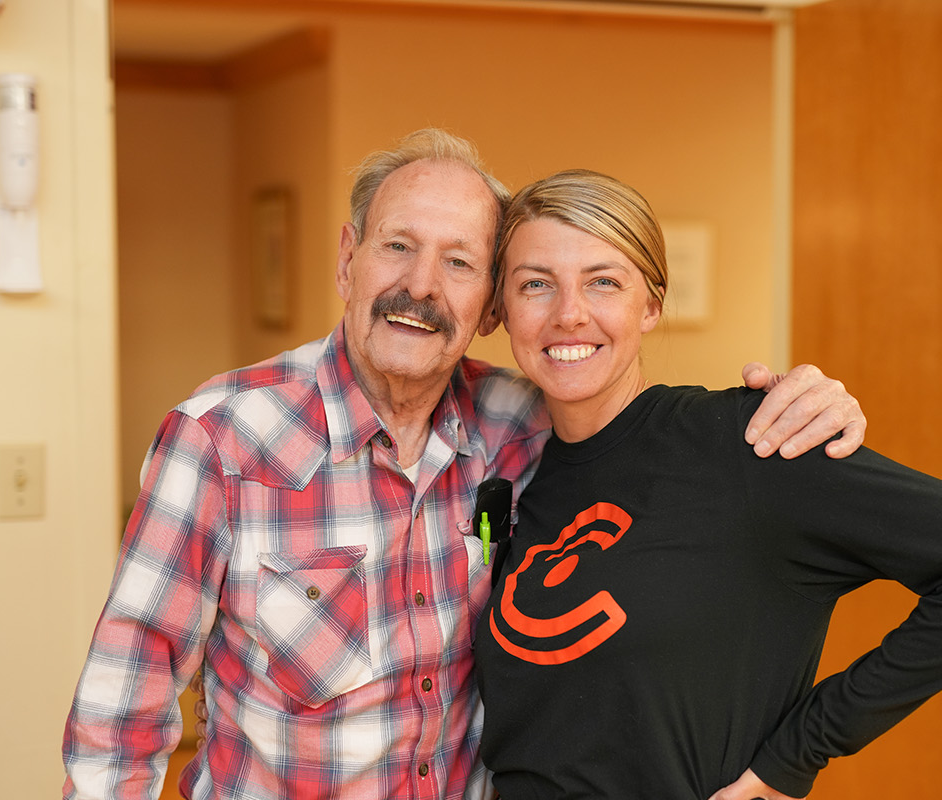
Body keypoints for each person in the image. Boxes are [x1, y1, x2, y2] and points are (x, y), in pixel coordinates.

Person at [61, 130, 868, 800]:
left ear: (489, 305)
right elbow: (122, 709)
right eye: (398, 246)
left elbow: (648, 444)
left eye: (458, 262)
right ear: (349, 259)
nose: (419, 285)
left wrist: (811, 404)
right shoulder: (223, 441)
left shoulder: (522, 425)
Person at [473, 169, 942, 800]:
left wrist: (791, 760)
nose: (569, 314)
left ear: (649, 305)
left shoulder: (748, 442)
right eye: (536, 285)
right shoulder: (515, 471)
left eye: (603, 282)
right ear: (502, 310)